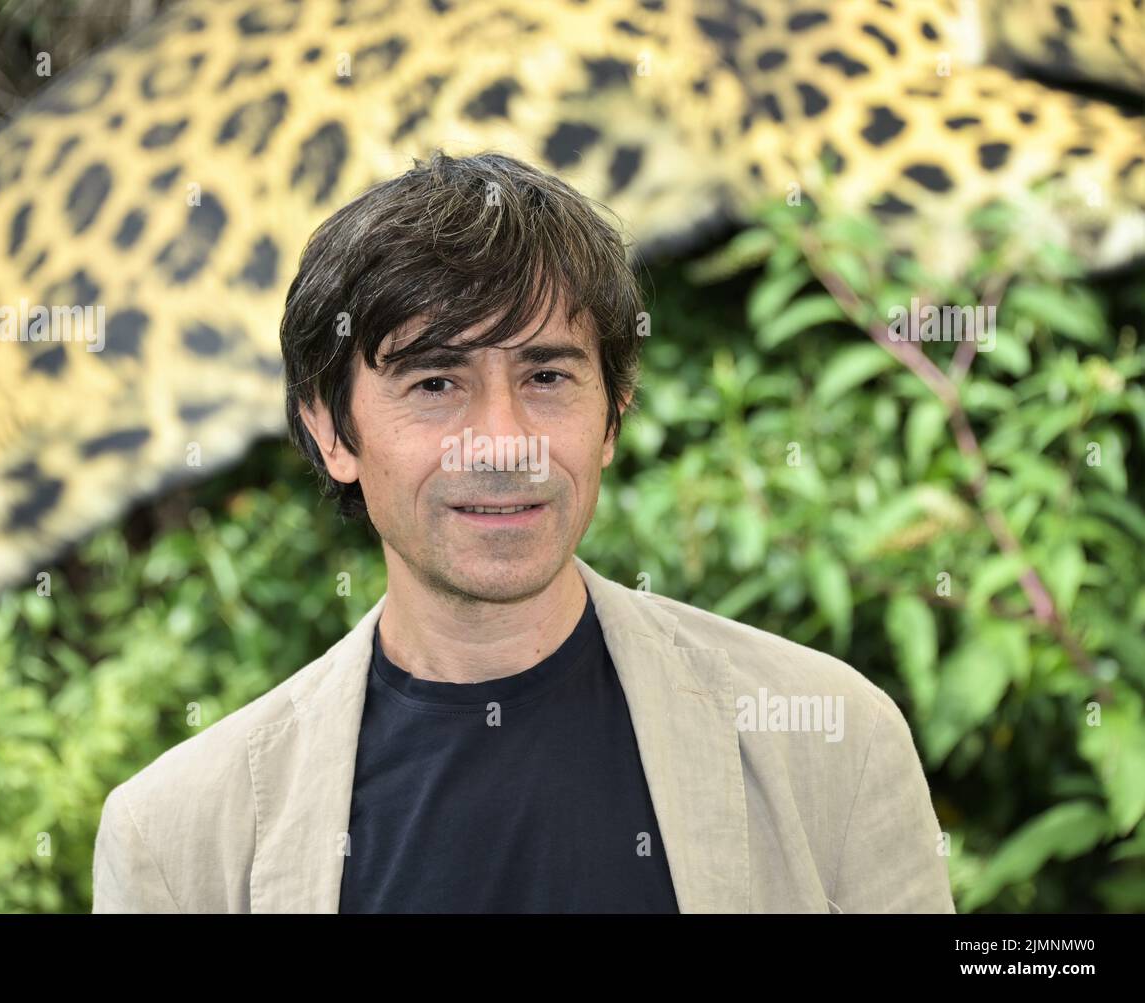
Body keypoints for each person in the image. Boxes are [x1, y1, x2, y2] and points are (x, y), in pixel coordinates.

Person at [91, 151, 954, 913]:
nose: (502, 442)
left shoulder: (833, 743)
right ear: (331, 429)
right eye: (435, 382)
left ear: (611, 417)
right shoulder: (177, 840)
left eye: (547, 374)